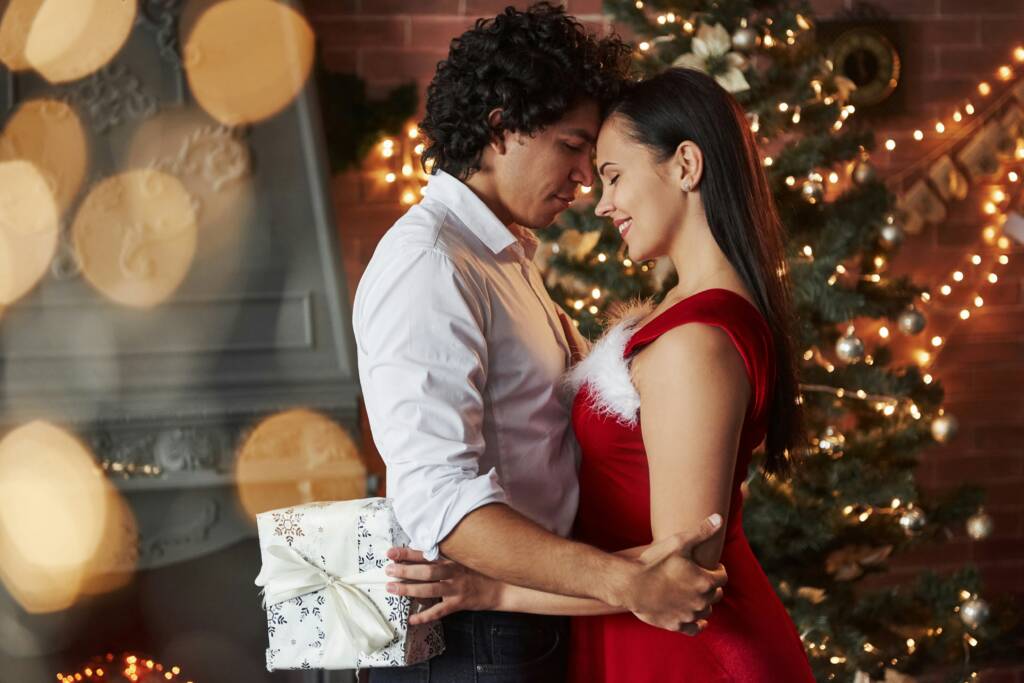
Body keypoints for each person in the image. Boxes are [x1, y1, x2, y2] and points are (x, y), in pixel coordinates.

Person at [386, 68, 817, 682]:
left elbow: (681, 576)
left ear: (686, 166)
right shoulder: (676, 313)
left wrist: (496, 591)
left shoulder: (695, 340)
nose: (600, 196)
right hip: (628, 631)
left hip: (687, 653)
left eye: (613, 174)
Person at [352, 6, 728, 682]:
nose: (587, 182)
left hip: (519, 617)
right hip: (472, 637)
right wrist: (623, 582)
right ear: (502, 129)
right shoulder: (431, 263)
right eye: (572, 146)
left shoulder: (502, 255)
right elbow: (440, 503)